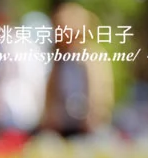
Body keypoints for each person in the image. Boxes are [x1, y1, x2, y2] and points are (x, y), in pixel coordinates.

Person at [42, 3, 114, 136]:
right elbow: (51, 95)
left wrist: (94, 117)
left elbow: (101, 94)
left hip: (88, 126)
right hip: (62, 125)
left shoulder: (94, 58)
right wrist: (51, 117)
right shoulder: (59, 61)